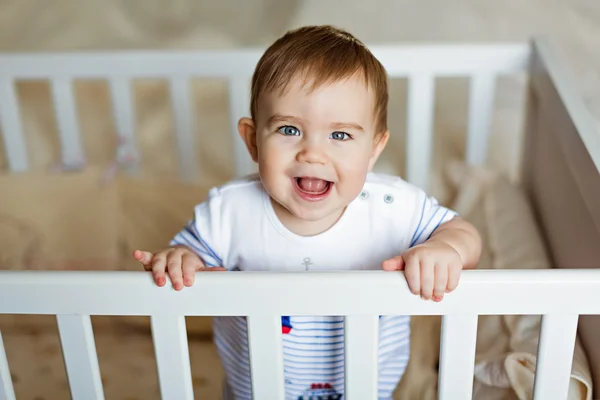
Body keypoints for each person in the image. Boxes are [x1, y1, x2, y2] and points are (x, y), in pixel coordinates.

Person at [133, 25, 482, 400]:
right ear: (253, 140)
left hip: (368, 391)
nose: (312, 153)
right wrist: (179, 260)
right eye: (289, 129)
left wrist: (446, 250)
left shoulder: (391, 207)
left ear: (374, 149)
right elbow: (188, 257)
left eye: (340, 135)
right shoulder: (230, 211)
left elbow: (462, 233)